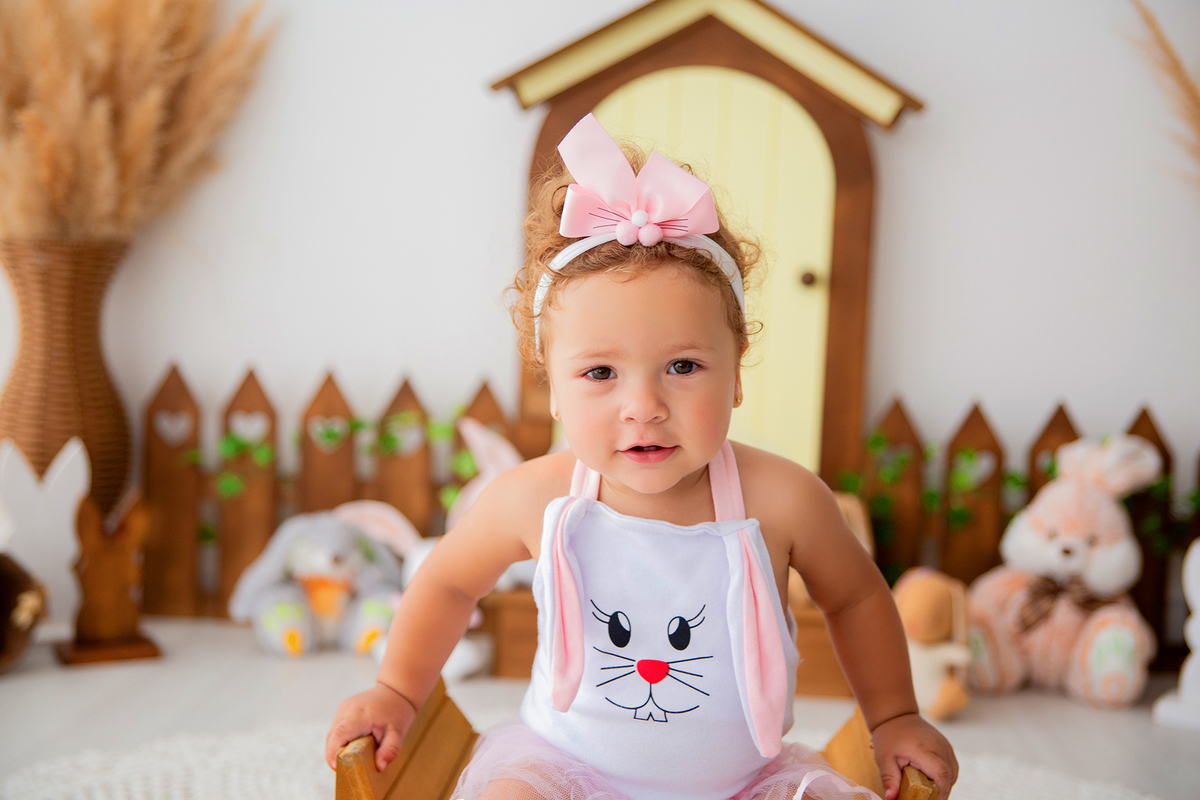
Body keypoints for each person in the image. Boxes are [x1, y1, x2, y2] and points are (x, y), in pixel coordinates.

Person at [326, 114, 958, 800]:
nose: (644, 406)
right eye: (600, 374)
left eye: (683, 365)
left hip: (742, 782)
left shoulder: (783, 500)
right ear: (554, 390)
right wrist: (397, 690)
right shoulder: (534, 498)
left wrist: (893, 714)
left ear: (737, 373)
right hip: (566, 771)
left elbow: (858, 595)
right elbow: (448, 582)